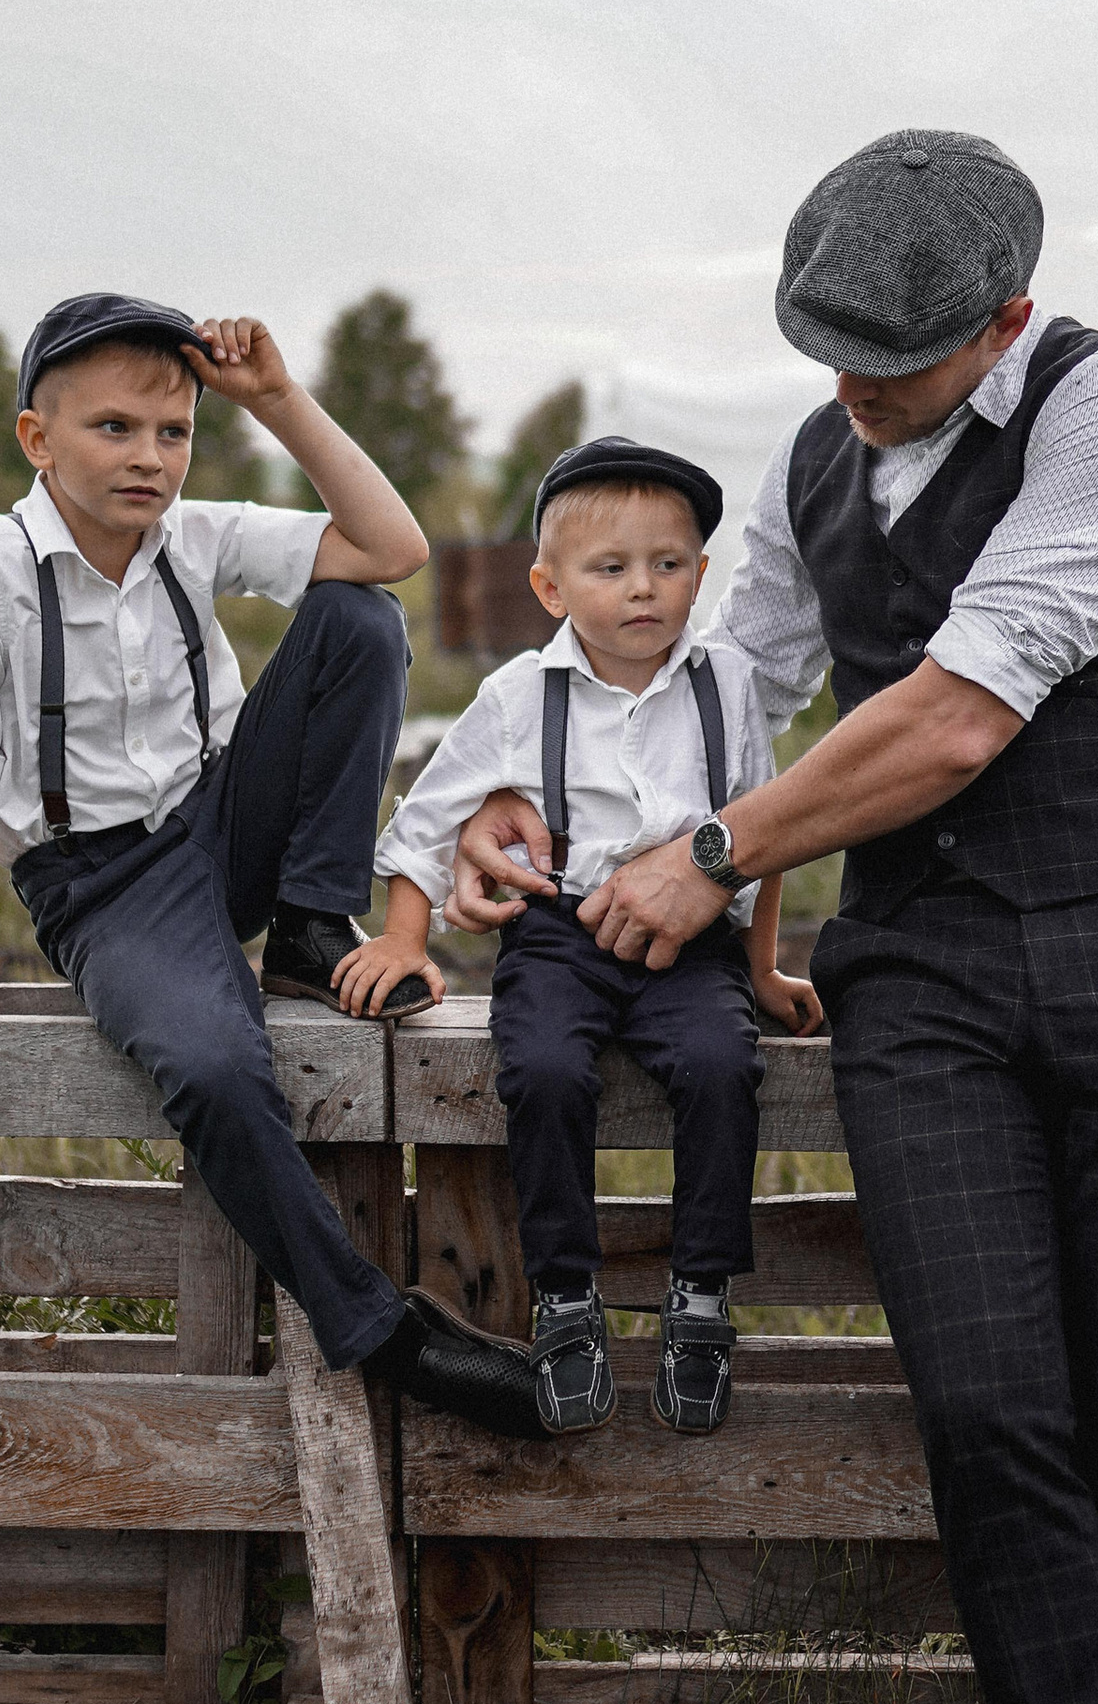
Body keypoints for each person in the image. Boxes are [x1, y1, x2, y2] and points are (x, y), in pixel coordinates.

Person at [447, 136, 1098, 1704]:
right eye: (822, 355)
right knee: (992, 1422)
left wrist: (714, 857)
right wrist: (491, 810)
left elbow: (955, 716)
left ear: (998, 321)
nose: (847, 398)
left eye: (888, 366)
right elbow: (699, 691)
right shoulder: (816, 469)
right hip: (917, 986)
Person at [0, 290, 541, 1439]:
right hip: (99, 884)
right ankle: (380, 1330)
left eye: (174, 432)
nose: (150, 459)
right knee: (211, 1067)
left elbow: (394, 547)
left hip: (219, 821)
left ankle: (308, 926)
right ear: (36, 440)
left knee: (359, 618)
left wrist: (279, 401)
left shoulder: (190, 536)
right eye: (113, 430)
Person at [341, 434, 822, 1436]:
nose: (642, 590)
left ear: (700, 573)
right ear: (551, 588)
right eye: (610, 569)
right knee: (547, 1073)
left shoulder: (724, 686)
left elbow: (759, 832)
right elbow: (428, 817)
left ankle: (699, 1295)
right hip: (559, 934)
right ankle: (565, 1293)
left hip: (691, 949)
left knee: (721, 1066)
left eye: (669, 564)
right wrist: (401, 937)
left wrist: (760, 965)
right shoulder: (521, 695)